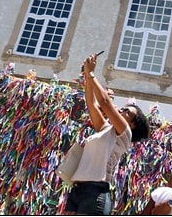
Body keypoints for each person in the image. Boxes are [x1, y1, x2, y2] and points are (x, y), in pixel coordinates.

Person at [63, 53, 151, 215]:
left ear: (131, 124)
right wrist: (87, 76)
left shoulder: (125, 133)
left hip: (95, 192)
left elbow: (104, 102)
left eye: (127, 112)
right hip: (78, 191)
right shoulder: (106, 129)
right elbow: (92, 104)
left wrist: (91, 74)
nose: (121, 109)